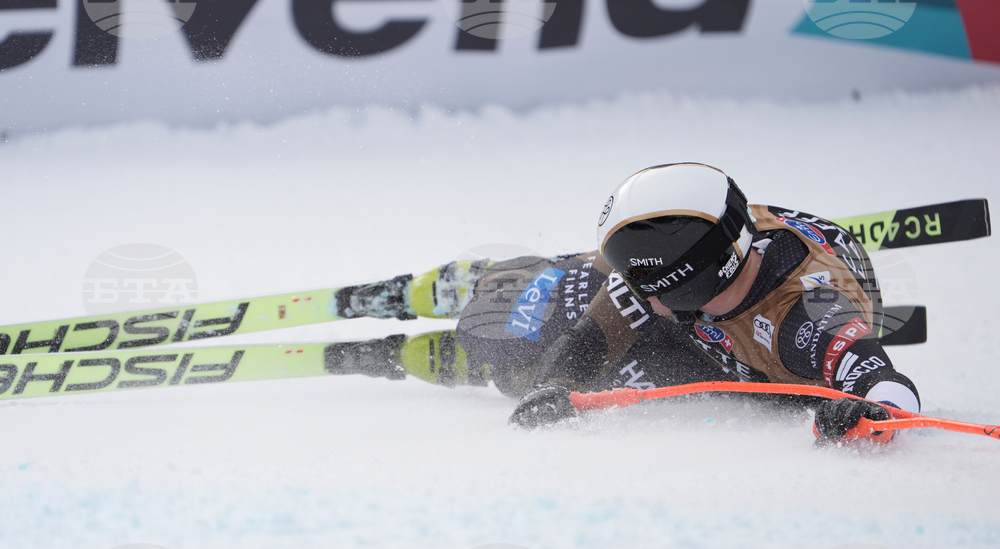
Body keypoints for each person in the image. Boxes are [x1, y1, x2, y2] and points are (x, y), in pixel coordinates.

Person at [325, 163, 920, 443]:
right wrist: (556, 384)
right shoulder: (697, 269)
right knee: (562, 309)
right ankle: (536, 279)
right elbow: (604, 324)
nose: (632, 289)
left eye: (644, 280)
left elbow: (887, 385)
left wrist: (867, 419)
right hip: (715, 312)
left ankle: (492, 353)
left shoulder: (807, 319)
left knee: (570, 353)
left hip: (751, 360)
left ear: (687, 281)